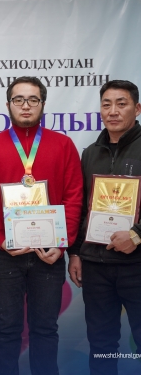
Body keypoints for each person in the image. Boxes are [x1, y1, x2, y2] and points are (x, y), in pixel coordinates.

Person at [0, 76, 83, 375]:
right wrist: (1, 239)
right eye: (19, 99)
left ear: (43, 104)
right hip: (4, 253)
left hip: (49, 252)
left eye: (33, 99)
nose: (26, 106)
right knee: (6, 329)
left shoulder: (63, 145)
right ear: (8, 104)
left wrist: (61, 244)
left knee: (45, 329)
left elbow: (74, 197)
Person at [68, 80, 141, 375]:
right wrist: (75, 253)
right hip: (96, 266)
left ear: (137, 108)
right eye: (106, 104)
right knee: (101, 343)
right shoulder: (90, 153)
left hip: (136, 265)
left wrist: (137, 235)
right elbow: (80, 207)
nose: (113, 111)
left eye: (121, 104)